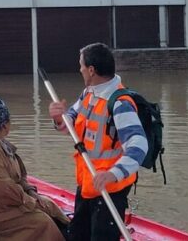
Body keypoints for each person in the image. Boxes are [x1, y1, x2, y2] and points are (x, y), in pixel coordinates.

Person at [48, 43, 148, 241]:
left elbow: (139, 145)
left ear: (91, 70)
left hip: (109, 189)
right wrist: (59, 118)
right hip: (87, 183)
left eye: (81, 66)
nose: (80, 70)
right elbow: (71, 122)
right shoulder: (89, 94)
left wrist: (113, 174)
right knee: (77, 235)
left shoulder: (120, 104)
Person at [0, 94, 68, 241]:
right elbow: (3, 190)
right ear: (4, 125)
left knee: (50, 206)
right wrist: (30, 202)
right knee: (41, 222)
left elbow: (18, 177)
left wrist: (32, 193)